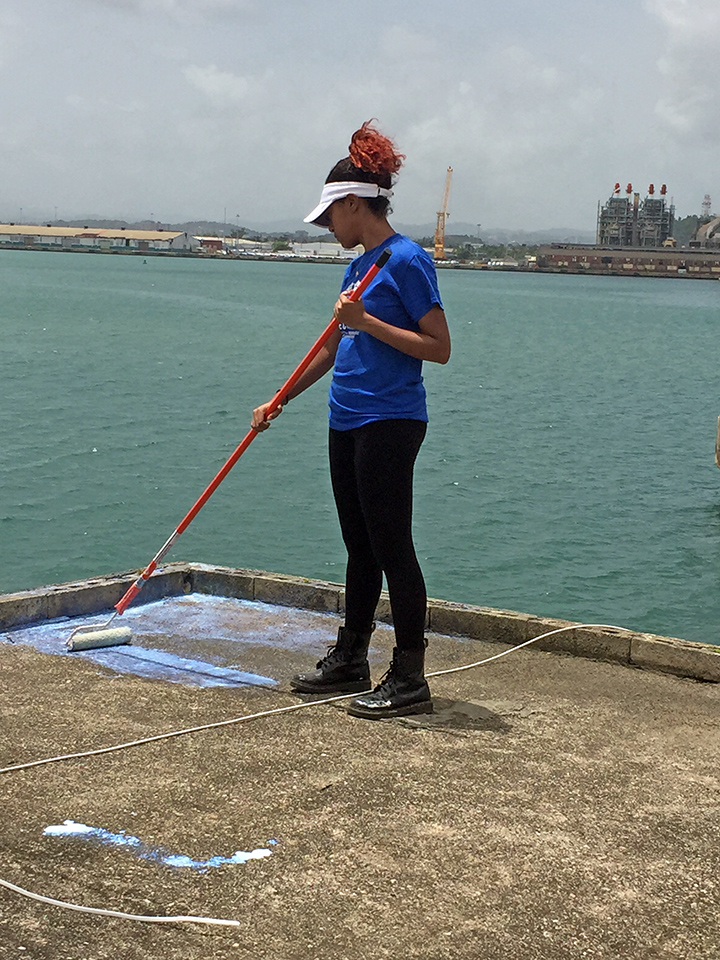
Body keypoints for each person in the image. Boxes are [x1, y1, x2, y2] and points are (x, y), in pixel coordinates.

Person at [252, 120, 450, 719]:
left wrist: (369, 323)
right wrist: (281, 395)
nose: (326, 227)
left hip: (391, 420)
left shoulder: (407, 260)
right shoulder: (355, 268)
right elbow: (332, 346)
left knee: (393, 545)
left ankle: (411, 677)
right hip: (346, 418)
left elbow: (437, 346)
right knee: (358, 545)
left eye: (330, 217)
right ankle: (351, 659)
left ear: (356, 205)